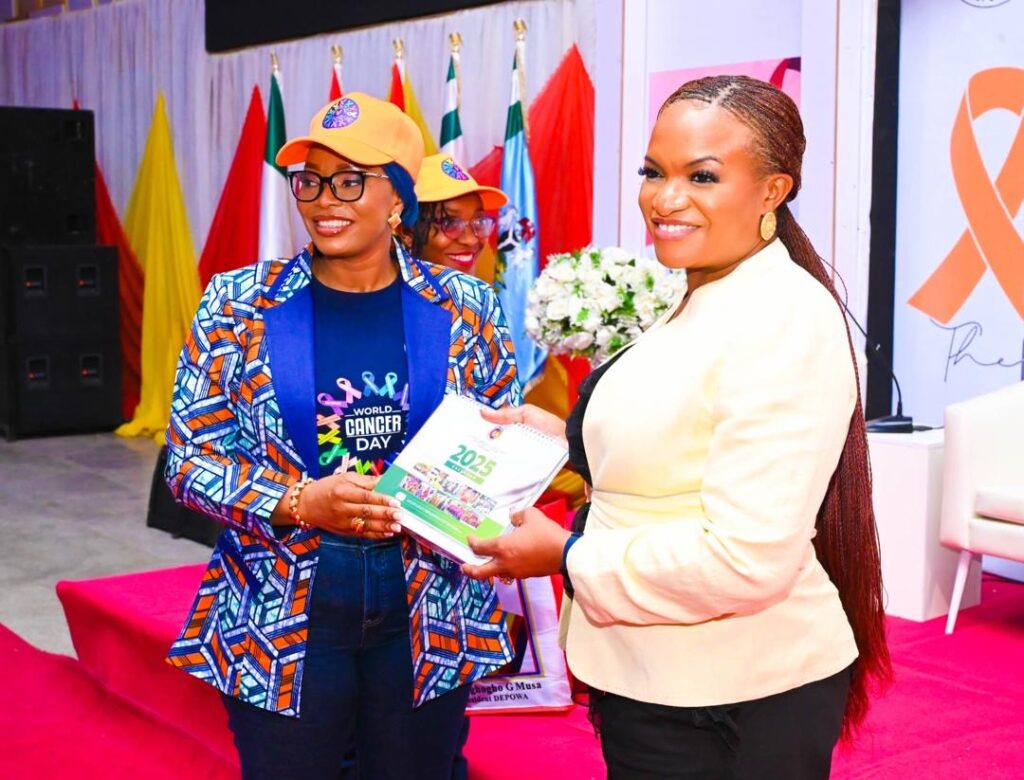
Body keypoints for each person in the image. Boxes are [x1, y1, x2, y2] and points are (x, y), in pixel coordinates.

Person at [463, 75, 892, 779]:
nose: (665, 198)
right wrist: (568, 441)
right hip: (658, 677)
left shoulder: (783, 315)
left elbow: (746, 558)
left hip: (734, 695)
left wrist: (566, 556)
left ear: (773, 190)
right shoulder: (704, 287)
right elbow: (682, 436)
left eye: (703, 176)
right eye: (653, 172)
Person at [164, 93, 521, 780]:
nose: (324, 199)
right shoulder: (237, 304)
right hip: (281, 601)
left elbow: (496, 447)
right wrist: (299, 501)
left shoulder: (468, 307)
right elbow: (189, 461)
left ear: (399, 200)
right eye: (310, 180)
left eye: (350, 180)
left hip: (429, 605)